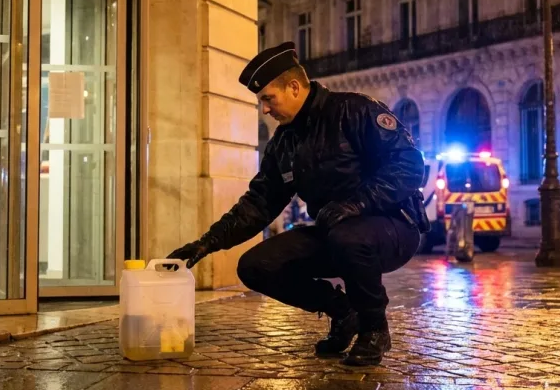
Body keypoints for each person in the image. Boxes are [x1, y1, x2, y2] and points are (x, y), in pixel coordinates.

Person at [167, 41, 429, 366]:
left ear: (293, 87)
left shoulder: (354, 110)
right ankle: (343, 312)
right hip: (334, 230)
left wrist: (357, 203)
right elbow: (259, 202)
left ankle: (374, 328)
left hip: (393, 225)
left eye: (268, 99)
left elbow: (410, 165)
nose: (264, 109)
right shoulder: (285, 141)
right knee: (255, 266)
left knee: (347, 236)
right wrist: (207, 243)